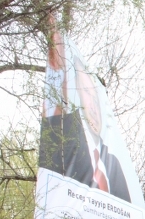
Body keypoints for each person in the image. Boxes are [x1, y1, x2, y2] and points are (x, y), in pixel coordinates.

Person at [38, 36, 132, 203]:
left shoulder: (113, 163)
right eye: (87, 94)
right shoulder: (63, 139)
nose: (94, 107)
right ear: (77, 95)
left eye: (96, 99)